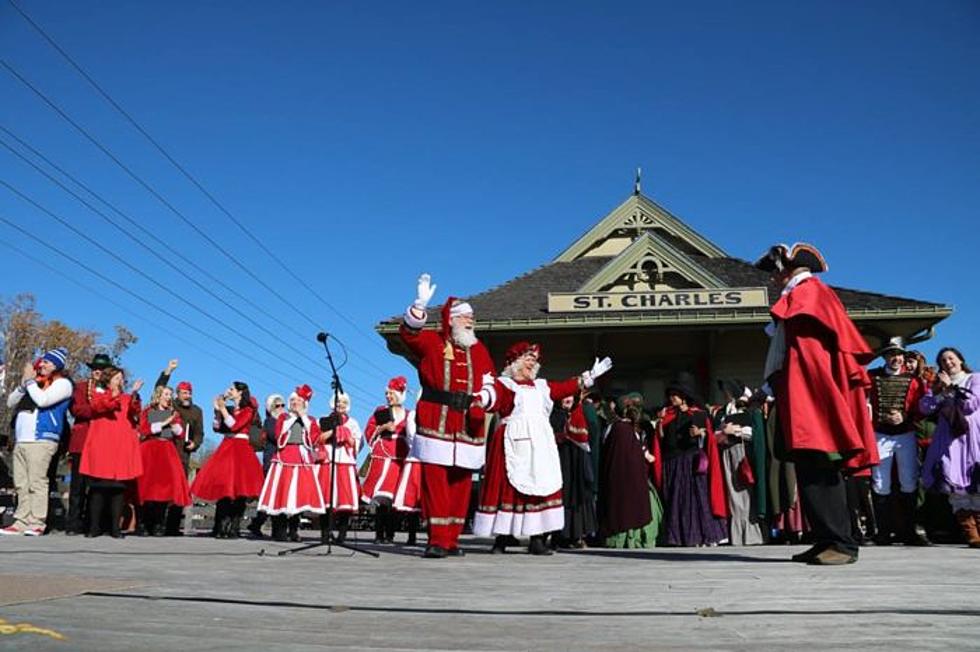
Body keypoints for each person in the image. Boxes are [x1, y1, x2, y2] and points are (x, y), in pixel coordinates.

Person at [756, 242, 877, 565]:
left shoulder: (809, 294)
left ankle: (841, 542)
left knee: (821, 467)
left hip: (813, 397)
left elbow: (810, 359)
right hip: (802, 393)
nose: (771, 279)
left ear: (786, 268)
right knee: (809, 468)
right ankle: (826, 538)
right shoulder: (800, 297)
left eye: (774, 271)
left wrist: (801, 394)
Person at [473, 342, 612, 554]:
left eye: (534, 360)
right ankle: (502, 538)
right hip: (514, 441)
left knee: (542, 486)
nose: (532, 363)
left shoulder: (541, 386)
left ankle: (537, 538)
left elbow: (565, 388)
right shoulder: (505, 384)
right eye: (527, 359)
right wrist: (481, 398)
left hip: (540, 444)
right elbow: (493, 396)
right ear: (514, 363)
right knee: (510, 487)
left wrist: (589, 376)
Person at [399, 273, 495, 558]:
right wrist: (419, 305)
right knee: (436, 483)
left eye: (472, 317)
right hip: (436, 421)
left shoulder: (479, 350)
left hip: (468, 424)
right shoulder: (433, 342)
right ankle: (437, 539)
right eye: (466, 317)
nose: (471, 321)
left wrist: (483, 400)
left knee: (461, 484)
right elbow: (408, 335)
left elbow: (491, 382)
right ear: (451, 320)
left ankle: (452, 539)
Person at [1, 348, 73, 536]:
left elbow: (43, 401)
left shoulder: (63, 384)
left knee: (37, 481)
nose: (41, 365)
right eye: (41, 362)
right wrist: (24, 383)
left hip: (42, 439)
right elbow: (10, 402)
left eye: (46, 363)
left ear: (56, 366)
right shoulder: (35, 384)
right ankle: (21, 520)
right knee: (21, 483)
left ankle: (37, 521)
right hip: (22, 439)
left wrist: (31, 382)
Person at [867, 338, 930, 546]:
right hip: (880, 434)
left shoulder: (913, 381)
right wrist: (877, 417)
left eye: (899, 355)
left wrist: (905, 416)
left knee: (909, 480)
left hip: (906, 434)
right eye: (892, 354)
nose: (896, 358)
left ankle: (909, 530)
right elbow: (862, 403)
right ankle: (883, 532)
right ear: (885, 356)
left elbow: (921, 408)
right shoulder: (872, 377)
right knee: (880, 482)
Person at [920, 347, 980, 548]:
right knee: (954, 481)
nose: (948, 362)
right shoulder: (939, 384)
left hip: (971, 436)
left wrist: (951, 389)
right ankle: (970, 533)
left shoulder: (975, 379)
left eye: (951, 358)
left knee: (975, 479)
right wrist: (939, 392)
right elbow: (925, 407)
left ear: (960, 360)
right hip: (949, 438)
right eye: (943, 360)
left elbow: (970, 405)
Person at [659, 379, 729, 547]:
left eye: (675, 395)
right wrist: (660, 424)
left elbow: (708, 439)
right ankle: (678, 537)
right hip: (673, 462)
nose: (672, 398)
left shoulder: (697, 414)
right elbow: (661, 439)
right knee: (676, 500)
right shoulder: (667, 415)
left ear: (684, 397)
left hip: (690, 462)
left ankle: (701, 535)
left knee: (695, 499)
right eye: (670, 395)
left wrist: (701, 433)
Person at [190, 381, 264, 538]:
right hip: (227, 446)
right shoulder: (230, 409)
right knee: (224, 487)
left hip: (241, 448)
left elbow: (235, 425)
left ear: (240, 392)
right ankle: (220, 526)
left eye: (232, 389)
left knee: (239, 490)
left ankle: (234, 527)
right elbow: (217, 427)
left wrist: (223, 409)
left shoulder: (248, 410)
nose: (228, 391)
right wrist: (217, 411)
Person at [79, 366, 144, 538]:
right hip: (102, 446)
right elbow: (101, 407)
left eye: (121, 378)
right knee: (98, 489)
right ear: (108, 380)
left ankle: (115, 528)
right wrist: (113, 394)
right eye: (116, 378)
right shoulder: (99, 394)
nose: (120, 381)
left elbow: (136, 412)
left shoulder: (127, 398)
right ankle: (94, 527)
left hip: (120, 448)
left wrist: (135, 394)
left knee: (118, 490)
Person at [257, 385, 325, 542]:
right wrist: (294, 418)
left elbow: (314, 438)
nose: (295, 402)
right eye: (292, 400)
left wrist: (303, 418)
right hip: (284, 457)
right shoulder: (283, 418)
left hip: (302, 459)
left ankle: (294, 530)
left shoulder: (311, 420)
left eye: (298, 400)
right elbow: (279, 434)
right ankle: (280, 531)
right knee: (283, 493)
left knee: (297, 496)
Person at [597, 393, 662, 548]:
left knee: (623, 508)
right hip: (635, 480)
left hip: (620, 481)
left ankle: (626, 538)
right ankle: (635, 538)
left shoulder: (617, 429)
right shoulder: (626, 430)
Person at [64, 353, 112, 535]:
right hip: (82, 441)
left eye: (103, 369)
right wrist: (100, 408)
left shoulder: (111, 391)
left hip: (103, 443)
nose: (99, 372)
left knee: (97, 486)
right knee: (78, 485)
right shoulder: (82, 387)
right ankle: (73, 523)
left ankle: (92, 523)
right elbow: (77, 409)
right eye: (96, 369)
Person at [362, 376, 414, 544]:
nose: (388, 396)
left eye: (392, 393)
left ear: (400, 394)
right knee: (381, 498)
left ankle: (390, 534)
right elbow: (368, 431)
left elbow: (413, 435)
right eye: (387, 393)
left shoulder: (408, 415)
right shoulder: (380, 411)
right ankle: (379, 535)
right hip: (383, 454)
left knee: (394, 499)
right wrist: (382, 427)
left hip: (399, 456)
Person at [713, 380, 766, 546]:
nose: (725, 395)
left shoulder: (749, 410)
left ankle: (752, 535)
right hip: (727, 452)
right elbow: (715, 433)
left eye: (728, 391)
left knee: (747, 493)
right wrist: (722, 433)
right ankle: (738, 536)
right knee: (733, 495)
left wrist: (735, 431)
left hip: (743, 453)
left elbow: (755, 433)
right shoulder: (723, 411)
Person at [137, 385, 192, 536]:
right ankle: (143, 524)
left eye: (170, 394)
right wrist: (164, 422)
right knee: (147, 486)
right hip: (150, 449)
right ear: (159, 395)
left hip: (167, 450)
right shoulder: (149, 411)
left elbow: (180, 434)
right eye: (166, 394)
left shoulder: (174, 413)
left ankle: (158, 524)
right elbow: (143, 429)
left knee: (163, 488)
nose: (169, 397)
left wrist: (174, 424)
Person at [552, 391, 598, 548]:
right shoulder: (555, 415)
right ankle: (560, 536)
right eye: (564, 397)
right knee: (564, 496)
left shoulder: (579, 414)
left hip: (577, 461)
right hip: (561, 461)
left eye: (570, 397)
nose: (567, 400)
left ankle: (576, 535)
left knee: (577, 497)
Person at [316, 391, 362, 543]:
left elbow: (357, 443)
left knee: (345, 500)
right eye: (338, 402)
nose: (340, 405)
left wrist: (346, 435)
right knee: (327, 499)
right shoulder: (323, 420)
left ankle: (342, 534)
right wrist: (331, 432)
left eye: (343, 402)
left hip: (345, 463)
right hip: (329, 462)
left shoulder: (353, 423)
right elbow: (317, 439)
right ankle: (325, 533)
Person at [247, 393, 286, 538]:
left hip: (283, 461)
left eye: (283, 405)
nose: (281, 408)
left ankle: (257, 523)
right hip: (271, 460)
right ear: (270, 408)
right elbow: (277, 437)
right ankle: (276, 529)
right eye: (277, 405)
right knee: (273, 494)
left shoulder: (286, 421)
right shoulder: (270, 422)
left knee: (276, 494)